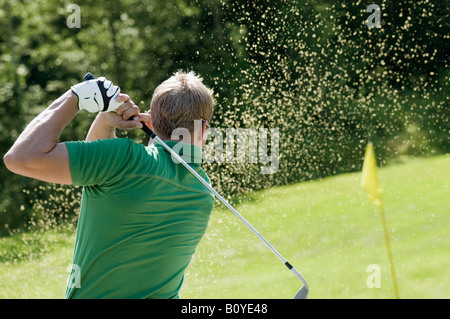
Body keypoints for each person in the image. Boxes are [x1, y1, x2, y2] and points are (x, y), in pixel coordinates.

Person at [3, 71, 215, 299]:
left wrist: (75, 97)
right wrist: (104, 120)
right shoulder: (203, 191)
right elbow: (97, 181)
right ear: (203, 129)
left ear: (150, 120)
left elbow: (20, 158)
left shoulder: (124, 160)